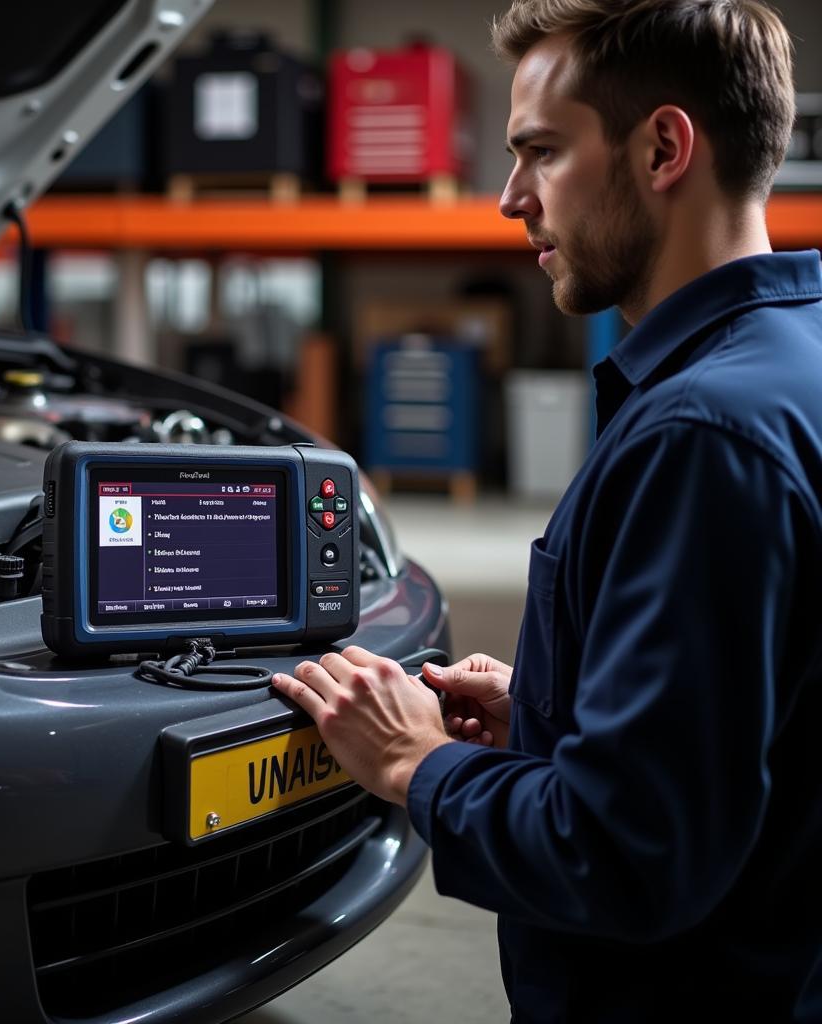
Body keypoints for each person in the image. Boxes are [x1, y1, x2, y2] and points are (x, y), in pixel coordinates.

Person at [272, 1, 822, 1020]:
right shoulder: (794, 363)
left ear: (663, 147)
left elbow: (623, 857)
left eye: (539, 152)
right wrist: (550, 709)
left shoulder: (700, 434)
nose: (508, 198)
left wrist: (413, 760)